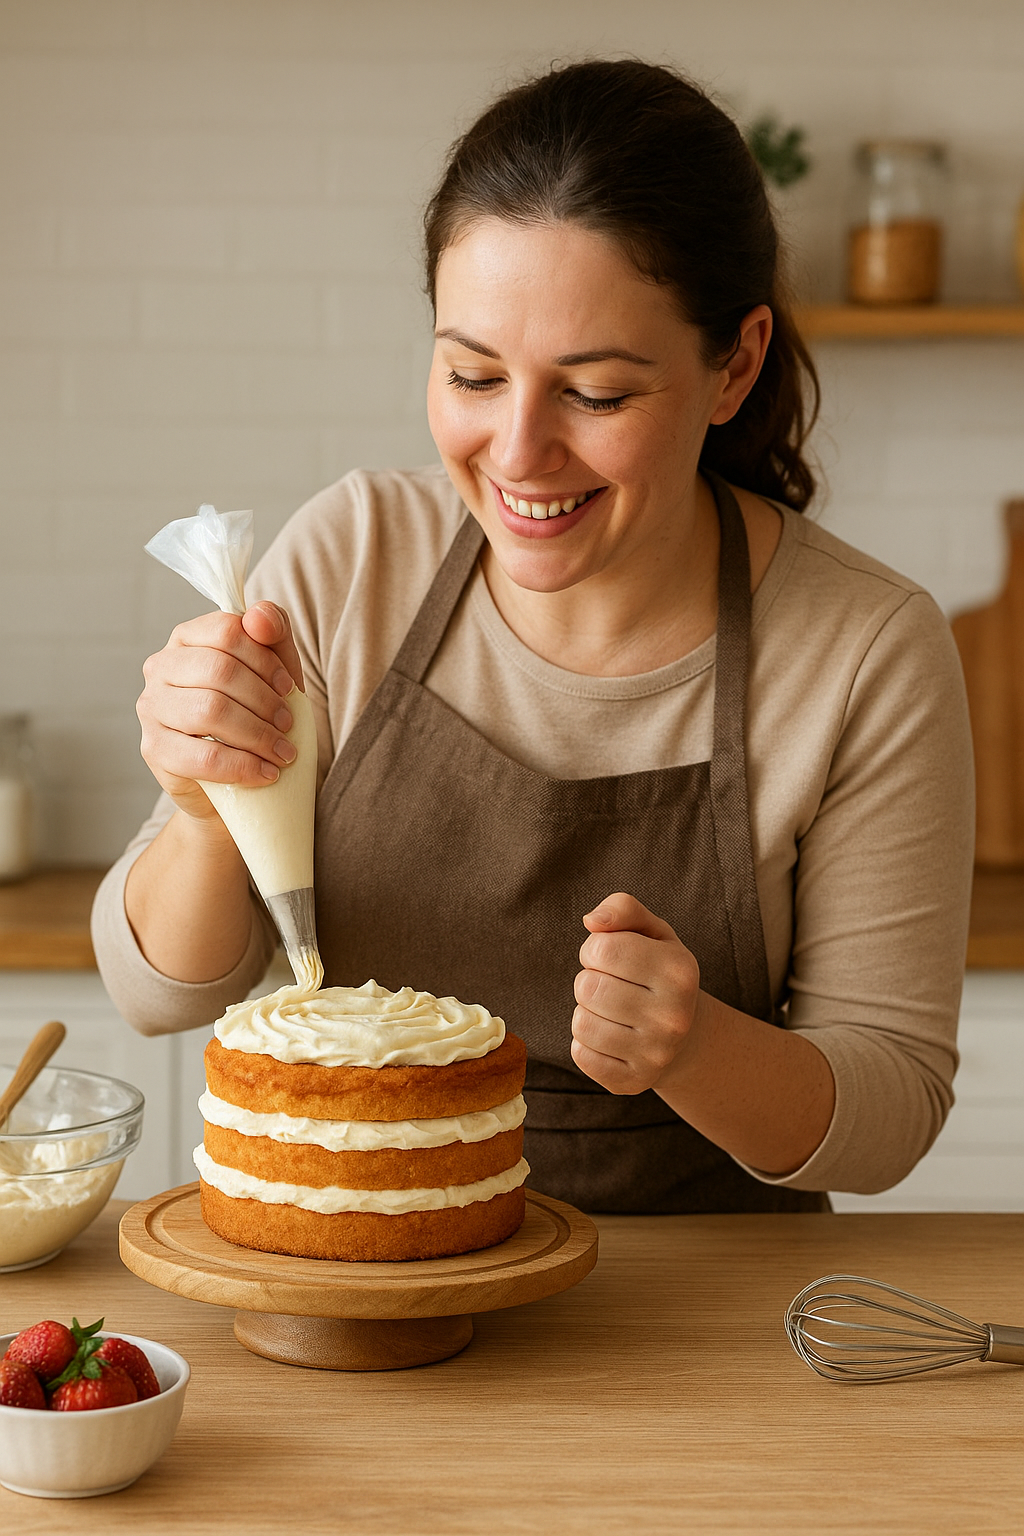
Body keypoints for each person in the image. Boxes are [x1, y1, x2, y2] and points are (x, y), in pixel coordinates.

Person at [92, 59, 974, 1214]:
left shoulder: (865, 650)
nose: (515, 453)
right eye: (472, 373)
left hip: (700, 1331)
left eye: (595, 394)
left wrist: (693, 1046)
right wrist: (208, 813)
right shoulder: (354, 556)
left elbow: (888, 1115)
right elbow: (159, 996)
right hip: (353, 1278)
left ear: (734, 365)